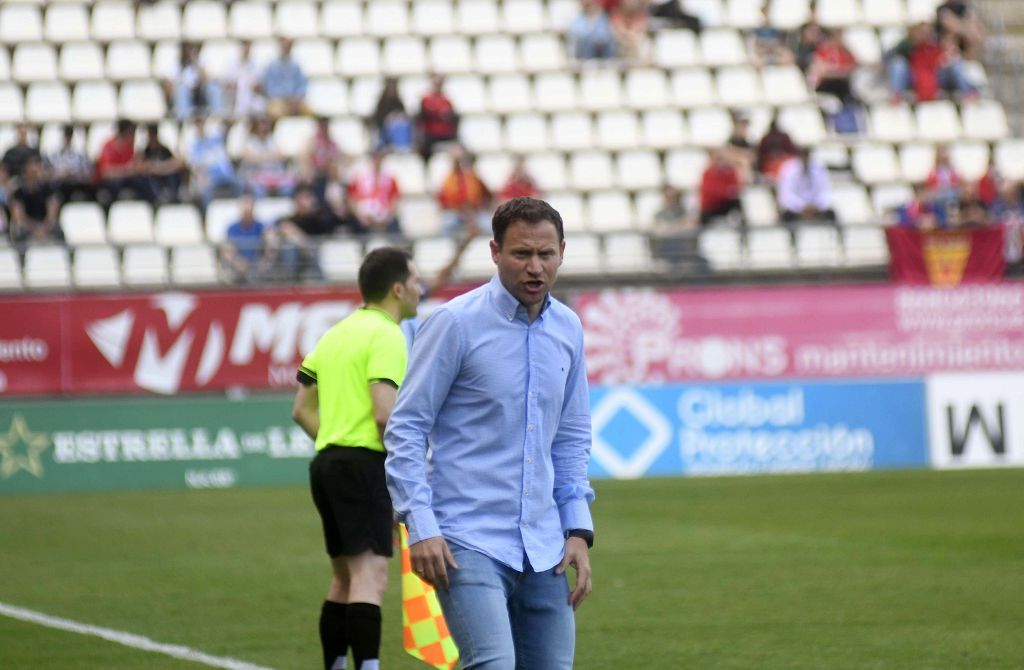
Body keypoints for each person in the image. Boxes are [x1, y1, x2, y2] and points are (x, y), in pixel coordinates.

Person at [384, 197, 595, 670]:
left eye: (546, 254)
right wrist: (419, 525)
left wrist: (578, 528)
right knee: (492, 663)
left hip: (544, 545)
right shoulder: (454, 323)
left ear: (563, 251)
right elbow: (406, 428)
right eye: (521, 254)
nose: (535, 267)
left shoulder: (569, 328)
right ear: (495, 252)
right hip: (465, 539)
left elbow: (572, 436)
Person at [292, 247, 424, 670]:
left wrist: (334, 441)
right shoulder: (387, 334)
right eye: (417, 281)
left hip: (327, 464)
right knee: (371, 579)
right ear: (398, 288)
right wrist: (405, 470)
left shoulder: (335, 333)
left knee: (344, 579)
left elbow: (301, 409)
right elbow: (385, 414)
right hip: (364, 464)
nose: (421, 289)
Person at [886, 22, 976, 103]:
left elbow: (954, 54)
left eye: (927, 32)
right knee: (898, 64)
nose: (925, 35)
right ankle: (896, 95)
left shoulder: (937, 42)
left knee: (956, 63)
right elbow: (889, 57)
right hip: (914, 78)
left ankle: (969, 93)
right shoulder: (906, 45)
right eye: (922, 32)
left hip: (935, 76)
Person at [220, 193, 279, 282]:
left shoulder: (261, 226)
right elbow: (226, 250)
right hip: (238, 268)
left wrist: (266, 261)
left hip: (258, 266)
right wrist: (238, 262)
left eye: (250, 204)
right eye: (245, 204)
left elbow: (272, 243)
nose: (247, 208)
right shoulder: (232, 228)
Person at [95, 120, 157, 204]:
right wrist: (126, 170)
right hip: (112, 182)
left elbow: (136, 167)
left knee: (143, 183)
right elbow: (106, 173)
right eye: (131, 132)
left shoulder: (130, 147)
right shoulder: (108, 146)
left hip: (126, 179)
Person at [437, 145, 492, 235]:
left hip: (475, 213)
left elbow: (487, 195)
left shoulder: (474, 177)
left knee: (489, 226)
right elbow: (443, 199)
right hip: (456, 213)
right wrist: (460, 210)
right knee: (446, 226)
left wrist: (477, 209)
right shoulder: (449, 178)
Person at [8, 156, 62, 246]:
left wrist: (45, 227)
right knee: (20, 232)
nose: (35, 170)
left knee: (58, 230)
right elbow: (18, 216)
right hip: (28, 225)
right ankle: (22, 258)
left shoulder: (47, 189)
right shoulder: (19, 192)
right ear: (25, 170)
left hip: (44, 224)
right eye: (31, 167)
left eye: (37, 166)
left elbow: (52, 213)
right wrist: (35, 229)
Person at [347, 147, 402, 236]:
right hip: (364, 214)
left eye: (379, 158)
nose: (377, 161)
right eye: (375, 158)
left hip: (384, 215)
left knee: (395, 225)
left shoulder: (390, 179)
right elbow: (352, 199)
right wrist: (360, 216)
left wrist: (388, 217)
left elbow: (395, 200)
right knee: (355, 225)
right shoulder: (360, 177)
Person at [776, 147, 837, 225]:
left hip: (816, 208)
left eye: (806, 154)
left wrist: (817, 206)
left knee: (831, 214)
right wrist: (802, 207)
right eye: (802, 154)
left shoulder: (819, 167)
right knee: (786, 216)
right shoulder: (788, 168)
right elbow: (786, 195)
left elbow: (825, 191)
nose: (804, 157)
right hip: (796, 210)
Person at [189, 117, 242, 206]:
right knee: (205, 191)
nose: (201, 127)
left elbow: (227, 127)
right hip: (209, 178)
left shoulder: (216, 140)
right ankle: (208, 214)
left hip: (225, 174)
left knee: (240, 184)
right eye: (198, 125)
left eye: (202, 124)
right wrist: (201, 177)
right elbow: (195, 166)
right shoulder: (195, 146)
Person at [240, 116, 296, 199]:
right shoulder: (250, 141)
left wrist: (260, 157)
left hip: (274, 175)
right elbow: (249, 157)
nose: (263, 129)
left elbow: (282, 155)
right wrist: (270, 156)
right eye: (260, 127)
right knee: (258, 191)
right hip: (256, 175)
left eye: (265, 127)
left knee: (287, 189)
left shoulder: (272, 139)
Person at [263, 38, 312, 120]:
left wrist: (296, 98)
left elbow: (302, 85)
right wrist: (284, 98)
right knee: (275, 113)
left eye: (288, 46)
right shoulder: (272, 66)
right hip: (279, 101)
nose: (286, 48)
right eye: (284, 46)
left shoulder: (296, 65)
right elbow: (270, 88)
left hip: (296, 101)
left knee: (310, 112)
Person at [808, 28, 858, 105]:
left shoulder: (845, 52)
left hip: (842, 87)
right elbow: (819, 71)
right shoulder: (823, 51)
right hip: (825, 89)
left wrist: (833, 71)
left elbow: (854, 67)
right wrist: (838, 72)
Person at [46, 125, 95, 203]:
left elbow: (88, 174)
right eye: (66, 135)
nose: (67, 138)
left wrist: (74, 174)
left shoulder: (80, 156)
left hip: (76, 185)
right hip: (59, 186)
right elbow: (48, 175)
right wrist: (60, 174)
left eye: (69, 136)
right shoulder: (53, 156)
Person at [139, 124, 187, 203]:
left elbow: (177, 162)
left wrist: (160, 168)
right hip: (153, 178)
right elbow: (141, 166)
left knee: (174, 176)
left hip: (166, 176)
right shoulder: (145, 151)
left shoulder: (163, 149)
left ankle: (174, 197)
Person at [416, 74, 459, 161]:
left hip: (445, 135)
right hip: (430, 138)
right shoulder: (425, 99)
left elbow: (453, 119)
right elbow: (421, 118)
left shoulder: (446, 100)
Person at [369, 77, 414, 152]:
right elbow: (379, 119)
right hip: (385, 131)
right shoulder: (382, 104)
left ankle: (402, 146)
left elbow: (403, 114)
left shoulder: (399, 103)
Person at [699, 149, 743, 226]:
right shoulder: (708, 173)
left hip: (726, 205)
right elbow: (712, 192)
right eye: (719, 159)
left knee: (739, 202)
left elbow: (737, 187)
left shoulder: (731, 171)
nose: (722, 162)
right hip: (711, 208)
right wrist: (727, 192)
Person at [610, 0, 651, 65]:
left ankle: (643, 67)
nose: (630, 2)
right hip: (620, 39)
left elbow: (639, 28)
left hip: (634, 39)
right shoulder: (617, 11)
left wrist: (631, 36)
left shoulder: (640, 13)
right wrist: (626, 35)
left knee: (645, 43)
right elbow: (618, 28)